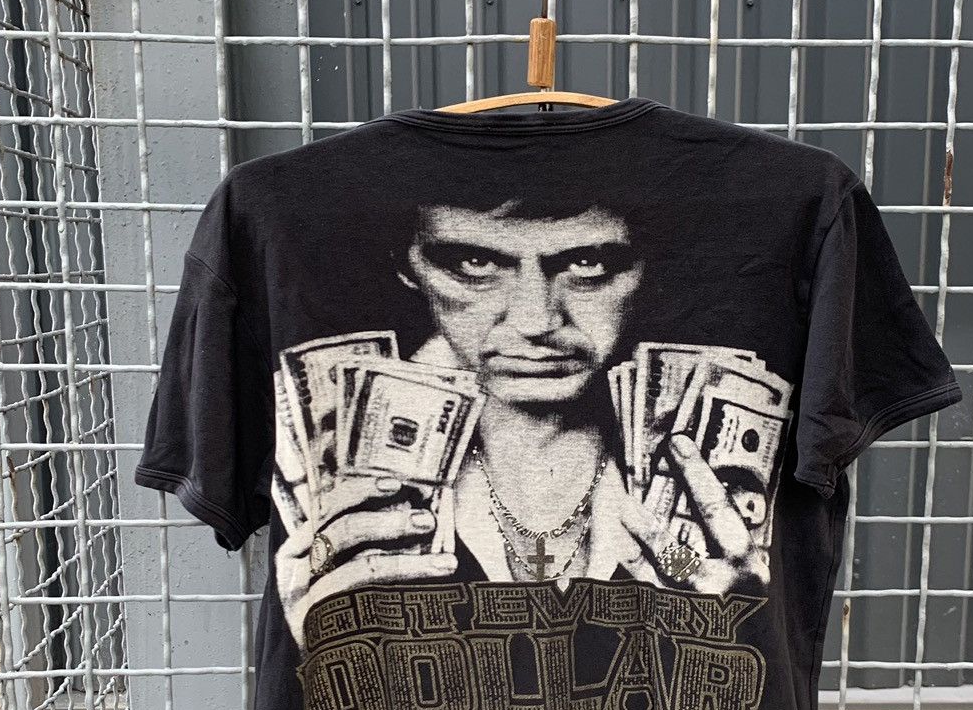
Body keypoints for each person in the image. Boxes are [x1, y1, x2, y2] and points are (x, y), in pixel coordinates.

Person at [273, 196, 782, 649]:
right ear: (406, 264)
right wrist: (316, 646)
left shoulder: (704, 451)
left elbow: (683, 572)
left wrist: (738, 623)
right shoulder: (322, 460)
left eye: (587, 263)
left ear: (648, 267)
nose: (536, 321)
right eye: (475, 263)